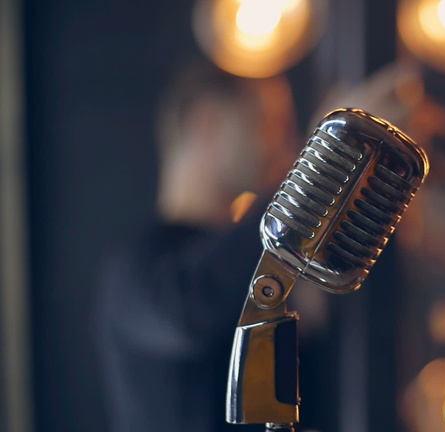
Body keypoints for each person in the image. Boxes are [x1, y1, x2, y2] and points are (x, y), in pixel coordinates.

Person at [97, 64, 298, 432]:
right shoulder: (135, 269)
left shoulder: (243, 261)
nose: (281, 147)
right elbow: (188, 310)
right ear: (207, 122)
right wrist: (313, 178)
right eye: (266, 124)